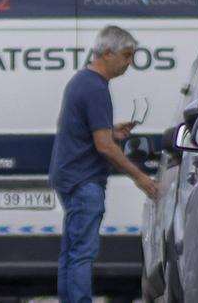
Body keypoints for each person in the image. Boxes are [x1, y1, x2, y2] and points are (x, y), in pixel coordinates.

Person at [49, 25, 159, 303]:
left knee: (71, 251)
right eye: (126, 55)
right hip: (84, 180)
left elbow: (90, 133)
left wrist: (110, 130)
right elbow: (104, 147)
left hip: (69, 176)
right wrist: (141, 178)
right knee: (83, 252)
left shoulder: (81, 82)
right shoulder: (96, 89)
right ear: (107, 53)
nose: (129, 63)